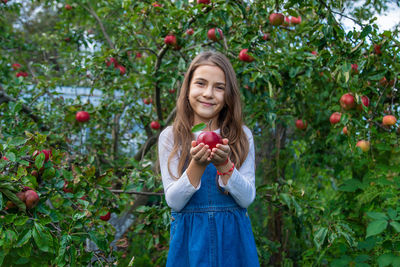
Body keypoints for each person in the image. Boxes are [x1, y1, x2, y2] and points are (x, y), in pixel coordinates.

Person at [158, 50, 259, 267]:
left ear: (228, 95)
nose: (208, 93)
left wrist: (224, 165)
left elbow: (247, 198)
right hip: (191, 242)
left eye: (219, 87)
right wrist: (198, 164)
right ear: (187, 89)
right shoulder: (172, 137)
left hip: (234, 241)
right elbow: (174, 201)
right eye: (201, 83)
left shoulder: (241, 136)